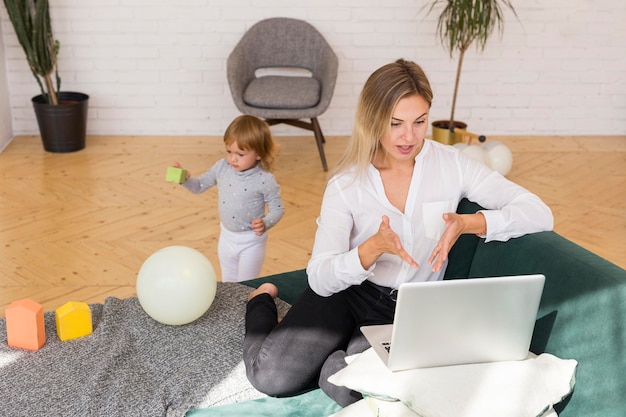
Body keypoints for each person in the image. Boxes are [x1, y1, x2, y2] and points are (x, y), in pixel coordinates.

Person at [242, 59, 553, 405]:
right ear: (373, 120)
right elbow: (319, 277)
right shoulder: (347, 183)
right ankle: (260, 303)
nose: (409, 136)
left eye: (419, 122)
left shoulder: (452, 165)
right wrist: (369, 250)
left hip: (407, 309)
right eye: (396, 124)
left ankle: (336, 361)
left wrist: (471, 224)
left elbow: (539, 213)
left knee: (371, 396)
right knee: (269, 377)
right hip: (346, 293)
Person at [175, 114, 284, 282]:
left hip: (251, 242)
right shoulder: (222, 167)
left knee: (247, 285)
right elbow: (199, 186)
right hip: (226, 238)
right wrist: (185, 179)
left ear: (259, 154)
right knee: (228, 283)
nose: (232, 158)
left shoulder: (265, 179)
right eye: (229, 151)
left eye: (240, 154)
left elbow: (278, 209)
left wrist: (266, 223)